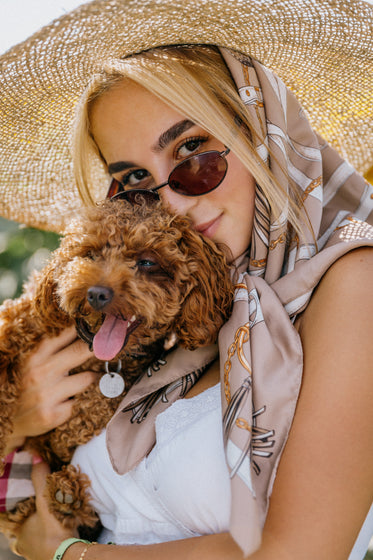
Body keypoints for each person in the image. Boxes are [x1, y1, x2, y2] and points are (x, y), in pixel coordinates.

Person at [0, 1, 372, 559]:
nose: (170, 201)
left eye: (193, 153)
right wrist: (15, 423)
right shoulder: (168, 316)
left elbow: (296, 552)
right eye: (134, 182)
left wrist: (63, 554)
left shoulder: (354, 285)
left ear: (260, 133)